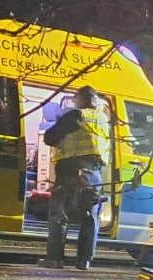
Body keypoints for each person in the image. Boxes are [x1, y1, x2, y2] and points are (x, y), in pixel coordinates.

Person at [40, 86, 108, 270]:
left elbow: (49, 138)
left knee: (59, 214)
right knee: (90, 217)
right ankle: (84, 261)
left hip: (70, 171)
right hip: (94, 173)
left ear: (80, 99)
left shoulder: (75, 115)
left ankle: (55, 259)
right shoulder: (103, 120)